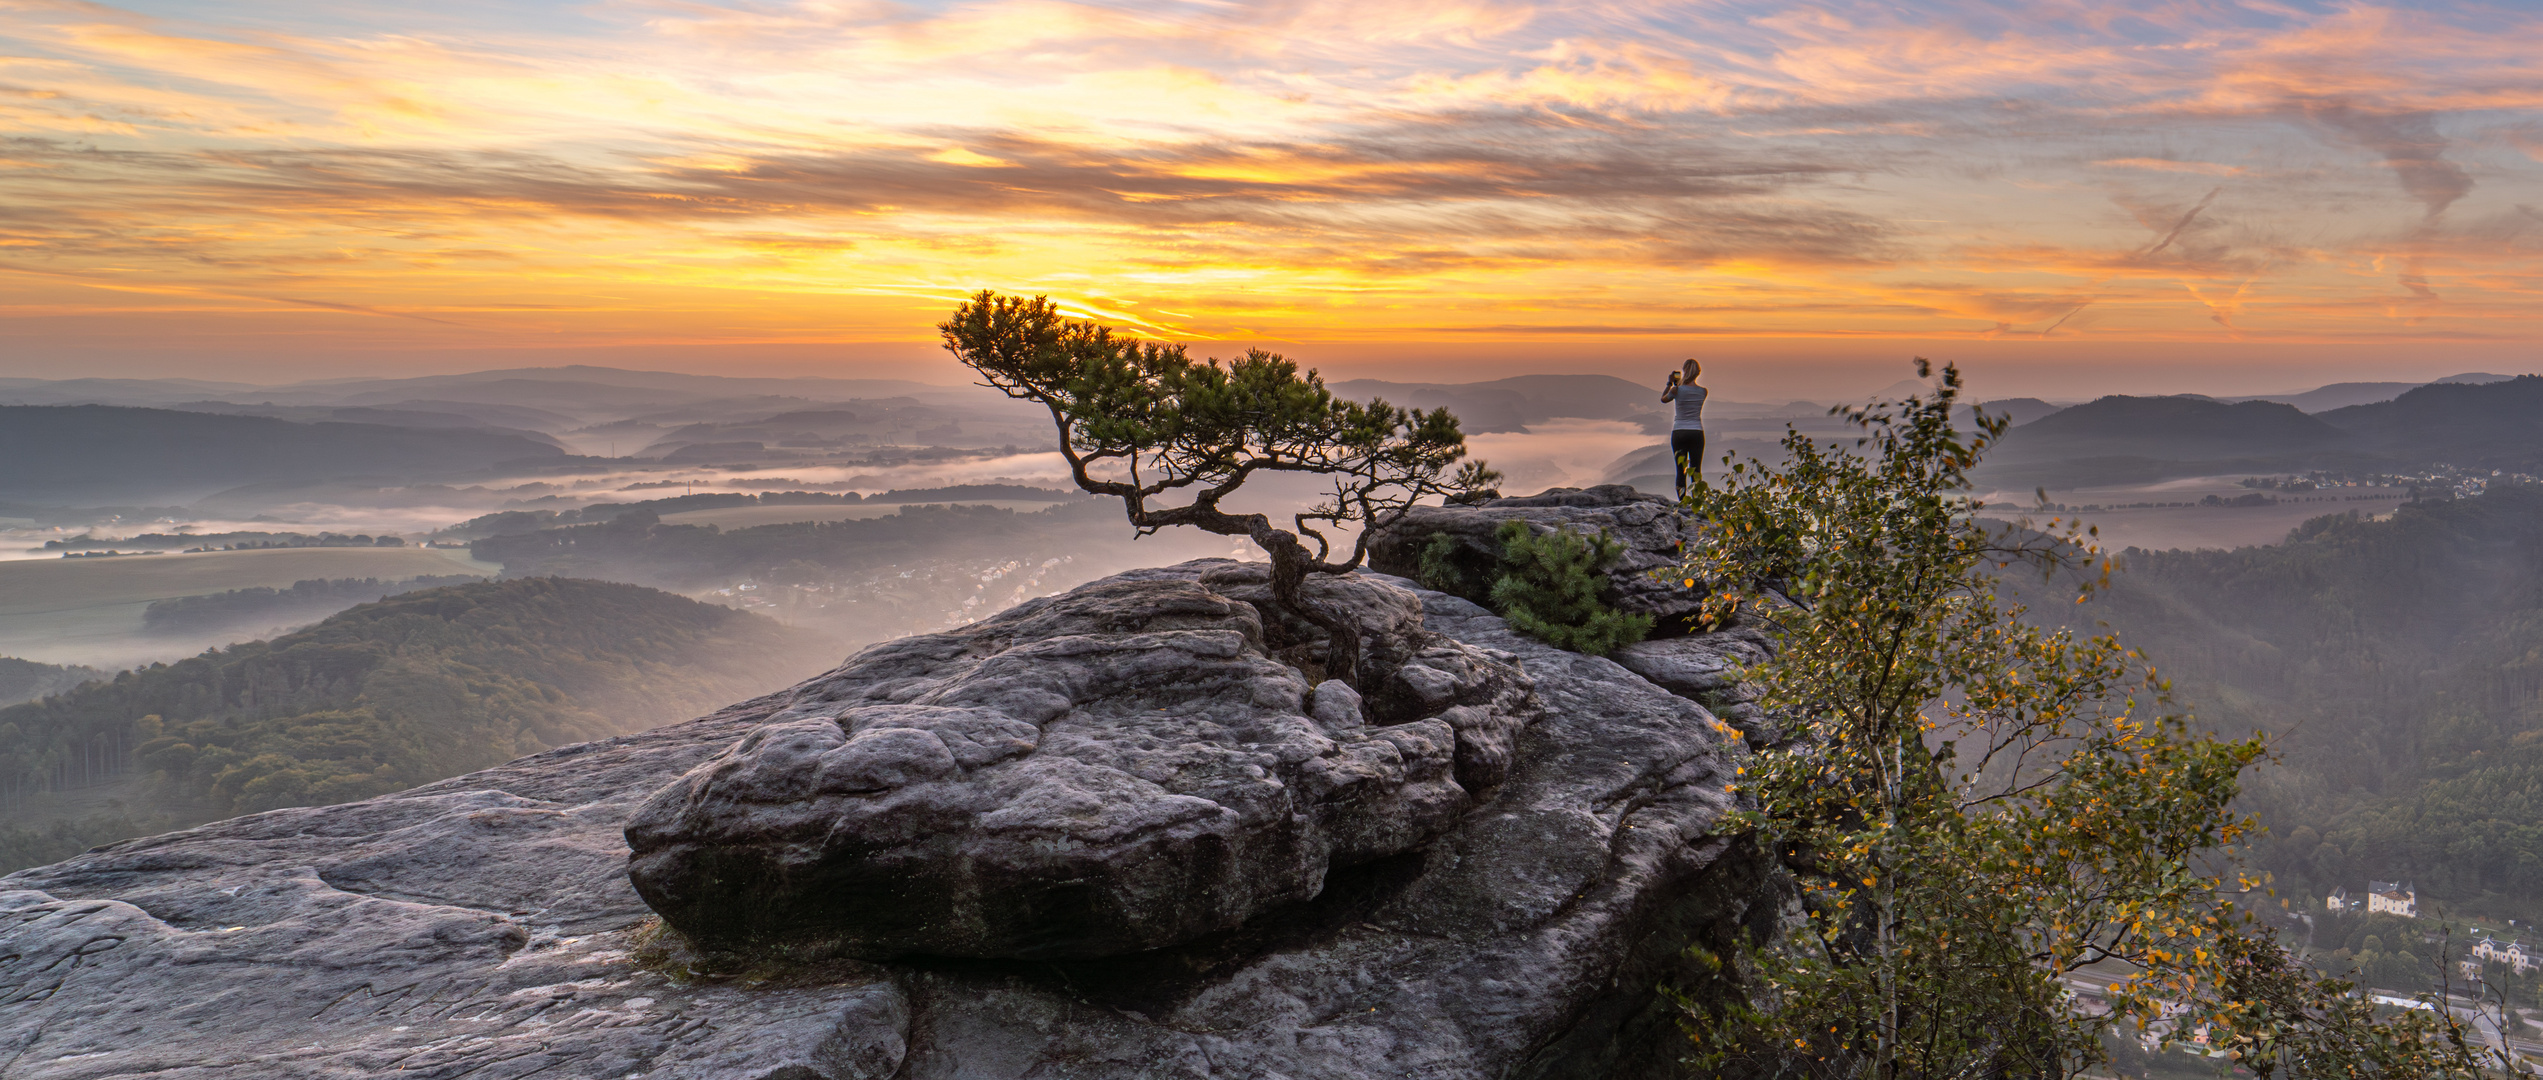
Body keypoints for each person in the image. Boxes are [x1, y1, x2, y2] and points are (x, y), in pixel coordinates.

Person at [1660, 358, 1706, 499]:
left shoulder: (1676, 389)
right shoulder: (1703, 391)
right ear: (1698, 373)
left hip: (1679, 432)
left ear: (1685, 371)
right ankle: (1697, 502)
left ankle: (1682, 502)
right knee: (1696, 469)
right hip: (1697, 432)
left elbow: (1663, 399)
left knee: (1681, 470)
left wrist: (1669, 383)